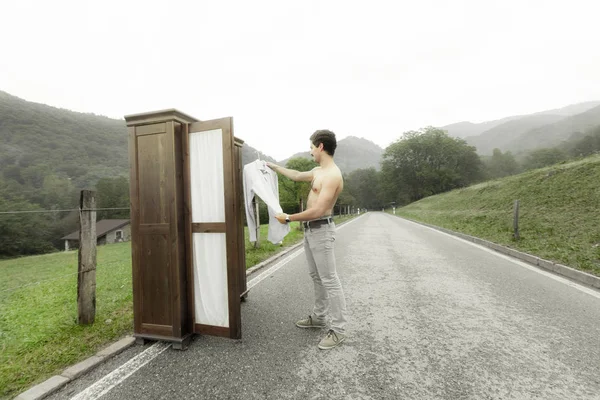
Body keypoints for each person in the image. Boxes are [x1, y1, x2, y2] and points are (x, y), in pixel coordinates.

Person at [267, 129, 347, 350]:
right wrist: (274, 167)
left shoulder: (332, 175)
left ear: (320, 146)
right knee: (316, 276)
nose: (310, 151)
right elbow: (295, 174)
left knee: (329, 279)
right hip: (310, 231)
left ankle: (339, 330)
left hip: (321, 230)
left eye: (312, 147)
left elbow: (319, 210)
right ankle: (320, 317)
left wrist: (289, 218)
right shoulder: (318, 171)